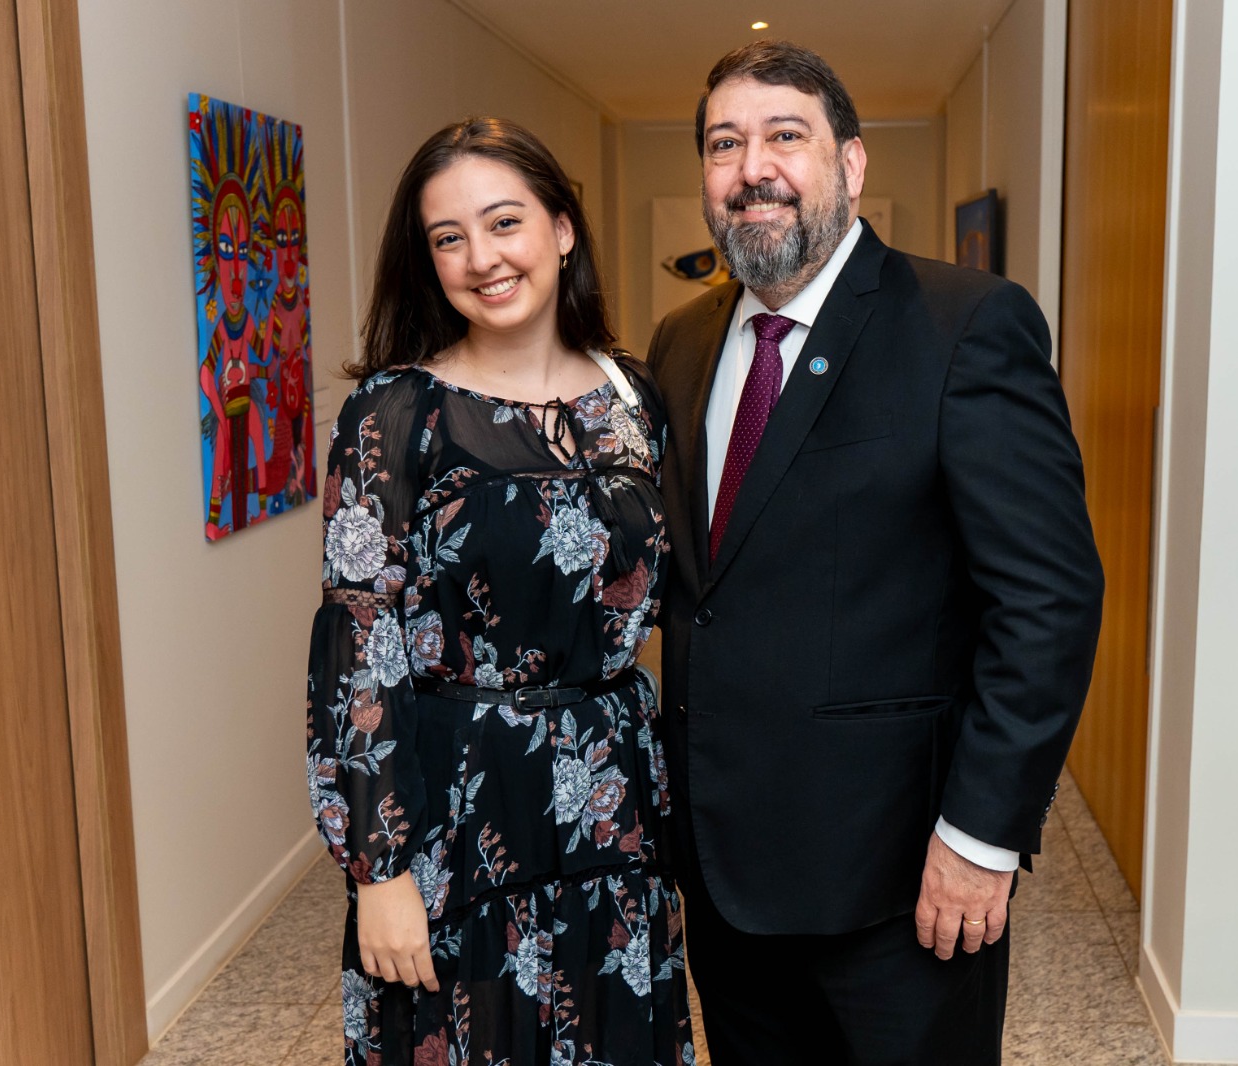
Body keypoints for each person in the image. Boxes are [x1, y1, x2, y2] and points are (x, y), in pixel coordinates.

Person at [646, 42, 1104, 1065]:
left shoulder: (964, 326)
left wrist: (980, 838)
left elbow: (1049, 602)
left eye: (784, 136)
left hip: (900, 882)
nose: (752, 168)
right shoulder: (680, 342)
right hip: (723, 872)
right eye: (724, 143)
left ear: (850, 164)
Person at [306, 117, 692, 1066]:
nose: (482, 258)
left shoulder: (634, 399)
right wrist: (378, 872)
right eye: (449, 237)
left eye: (504, 222)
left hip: (613, 798)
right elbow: (359, 643)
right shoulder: (395, 414)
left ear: (562, 229)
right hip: (457, 808)